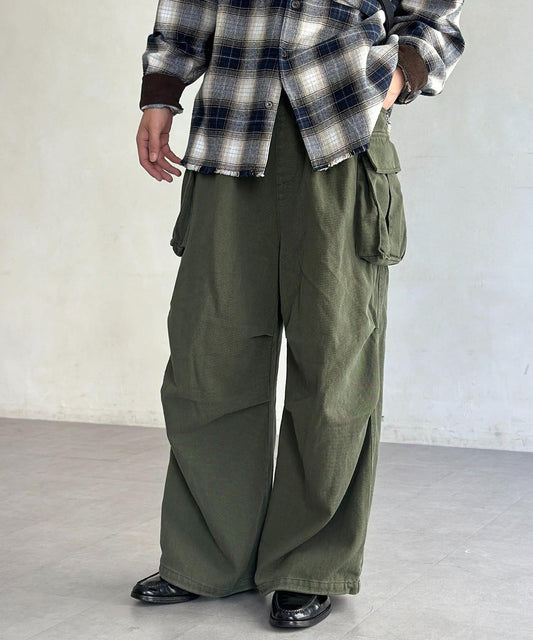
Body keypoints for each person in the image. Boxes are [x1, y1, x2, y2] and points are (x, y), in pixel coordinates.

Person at [131, 0, 465, 629]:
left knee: (335, 362)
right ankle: (209, 557)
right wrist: (161, 94)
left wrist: (396, 78)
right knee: (209, 357)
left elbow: (434, 16)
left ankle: (308, 564)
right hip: (230, 127)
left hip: (342, 133)